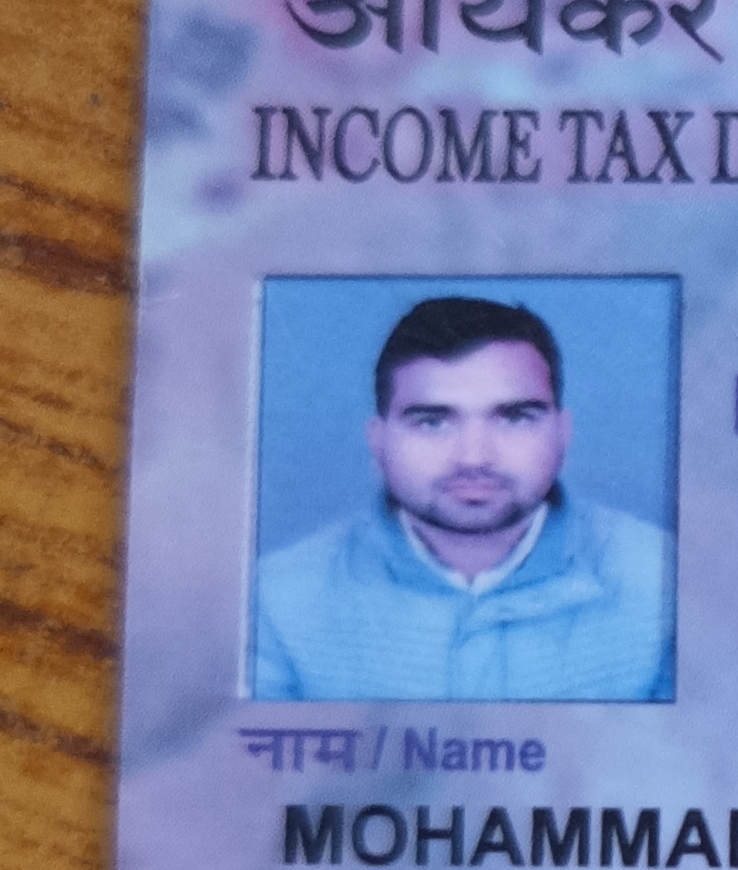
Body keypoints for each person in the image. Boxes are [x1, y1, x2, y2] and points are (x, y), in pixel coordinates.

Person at [251, 294, 674, 701]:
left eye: (514, 418)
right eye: (432, 422)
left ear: (563, 433)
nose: (474, 457)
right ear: (378, 443)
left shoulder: (667, 584)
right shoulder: (278, 600)